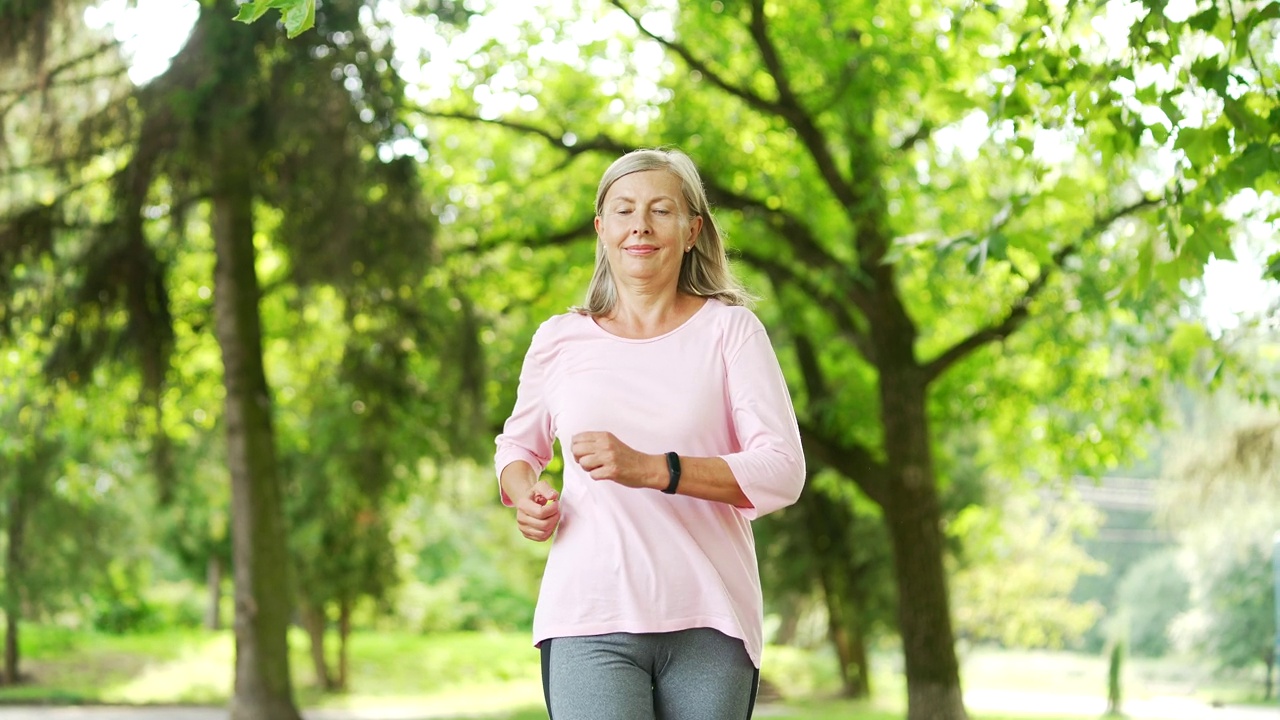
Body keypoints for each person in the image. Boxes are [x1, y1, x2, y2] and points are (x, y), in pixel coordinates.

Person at [494, 147, 805, 720]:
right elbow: (518, 448)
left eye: (661, 210)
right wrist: (525, 494)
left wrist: (656, 468)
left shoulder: (730, 330)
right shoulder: (560, 338)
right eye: (623, 210)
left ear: (692, 230)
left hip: (709, 617)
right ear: (601, 228)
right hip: (588, 614)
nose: (640, 224)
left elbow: (783, 469)